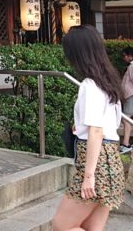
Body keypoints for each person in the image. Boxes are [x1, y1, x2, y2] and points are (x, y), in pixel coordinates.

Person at [52, 25, 125, 231]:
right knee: (92, 227)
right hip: (111, 162)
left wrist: (88, 176)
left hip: (96, 162)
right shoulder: (108, 82)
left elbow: (96, 131)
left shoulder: (90, 85)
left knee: (62, 226)